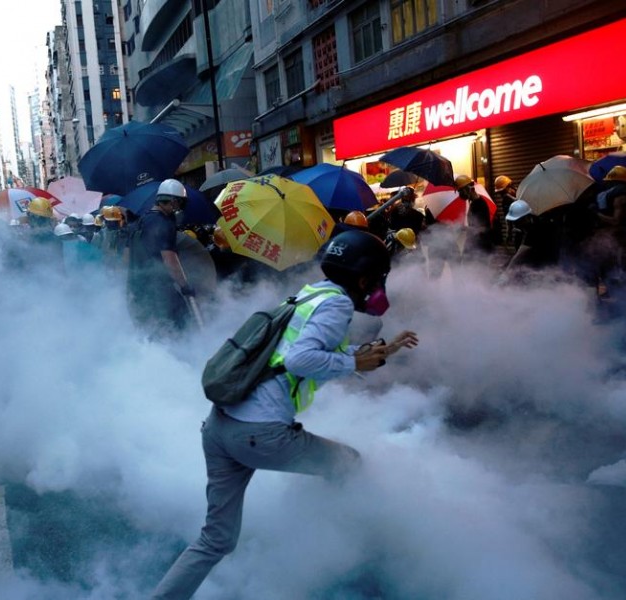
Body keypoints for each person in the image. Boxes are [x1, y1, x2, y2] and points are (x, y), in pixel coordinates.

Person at [152, 230, 418, 599]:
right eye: (377, 278)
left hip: (220, 429)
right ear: (364, 278)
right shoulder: (338, 304)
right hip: (260, 435)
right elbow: (299, 359)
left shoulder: (311, 294)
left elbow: (298, 350)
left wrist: (375, 351)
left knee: (216, 540)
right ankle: (354, 549)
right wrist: (354, 360)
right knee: (348, 464)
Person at [127, 179, 196, 336]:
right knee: (179, 326)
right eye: (179, 203)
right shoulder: (163, 223)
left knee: (150, 332)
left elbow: (126, 257)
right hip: (158, 290)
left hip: (137, 288)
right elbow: (169, 259)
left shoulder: (139, 222)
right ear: (172, 202)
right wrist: (185, 286)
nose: (178, 208)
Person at [456, 174, 493, 258]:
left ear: (467, 189)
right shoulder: (473, 203)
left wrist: (464, 228)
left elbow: (482, 229)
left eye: (460, 191)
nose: (460, 194)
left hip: (481, 248)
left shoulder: (480, 204)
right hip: (475, 246)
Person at [493, 175, 518, 247]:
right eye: (500, 193)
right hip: (519, 231)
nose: (501, 195)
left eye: (502, 192)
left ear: (509, 186)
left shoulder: (511, 197)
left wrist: (508, 235)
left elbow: (508, 221)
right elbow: (508, 219)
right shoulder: (508, 199)